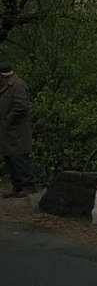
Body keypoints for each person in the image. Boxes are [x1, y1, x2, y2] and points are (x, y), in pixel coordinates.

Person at [0, 61, 36, 198]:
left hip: (17, 130)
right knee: (9, 158)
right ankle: (17, 186)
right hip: (8, 131)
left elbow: (21, 106)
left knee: (19, 158)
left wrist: (8, 119)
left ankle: (28, 185)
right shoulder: (6, 85)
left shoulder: (18, 85)